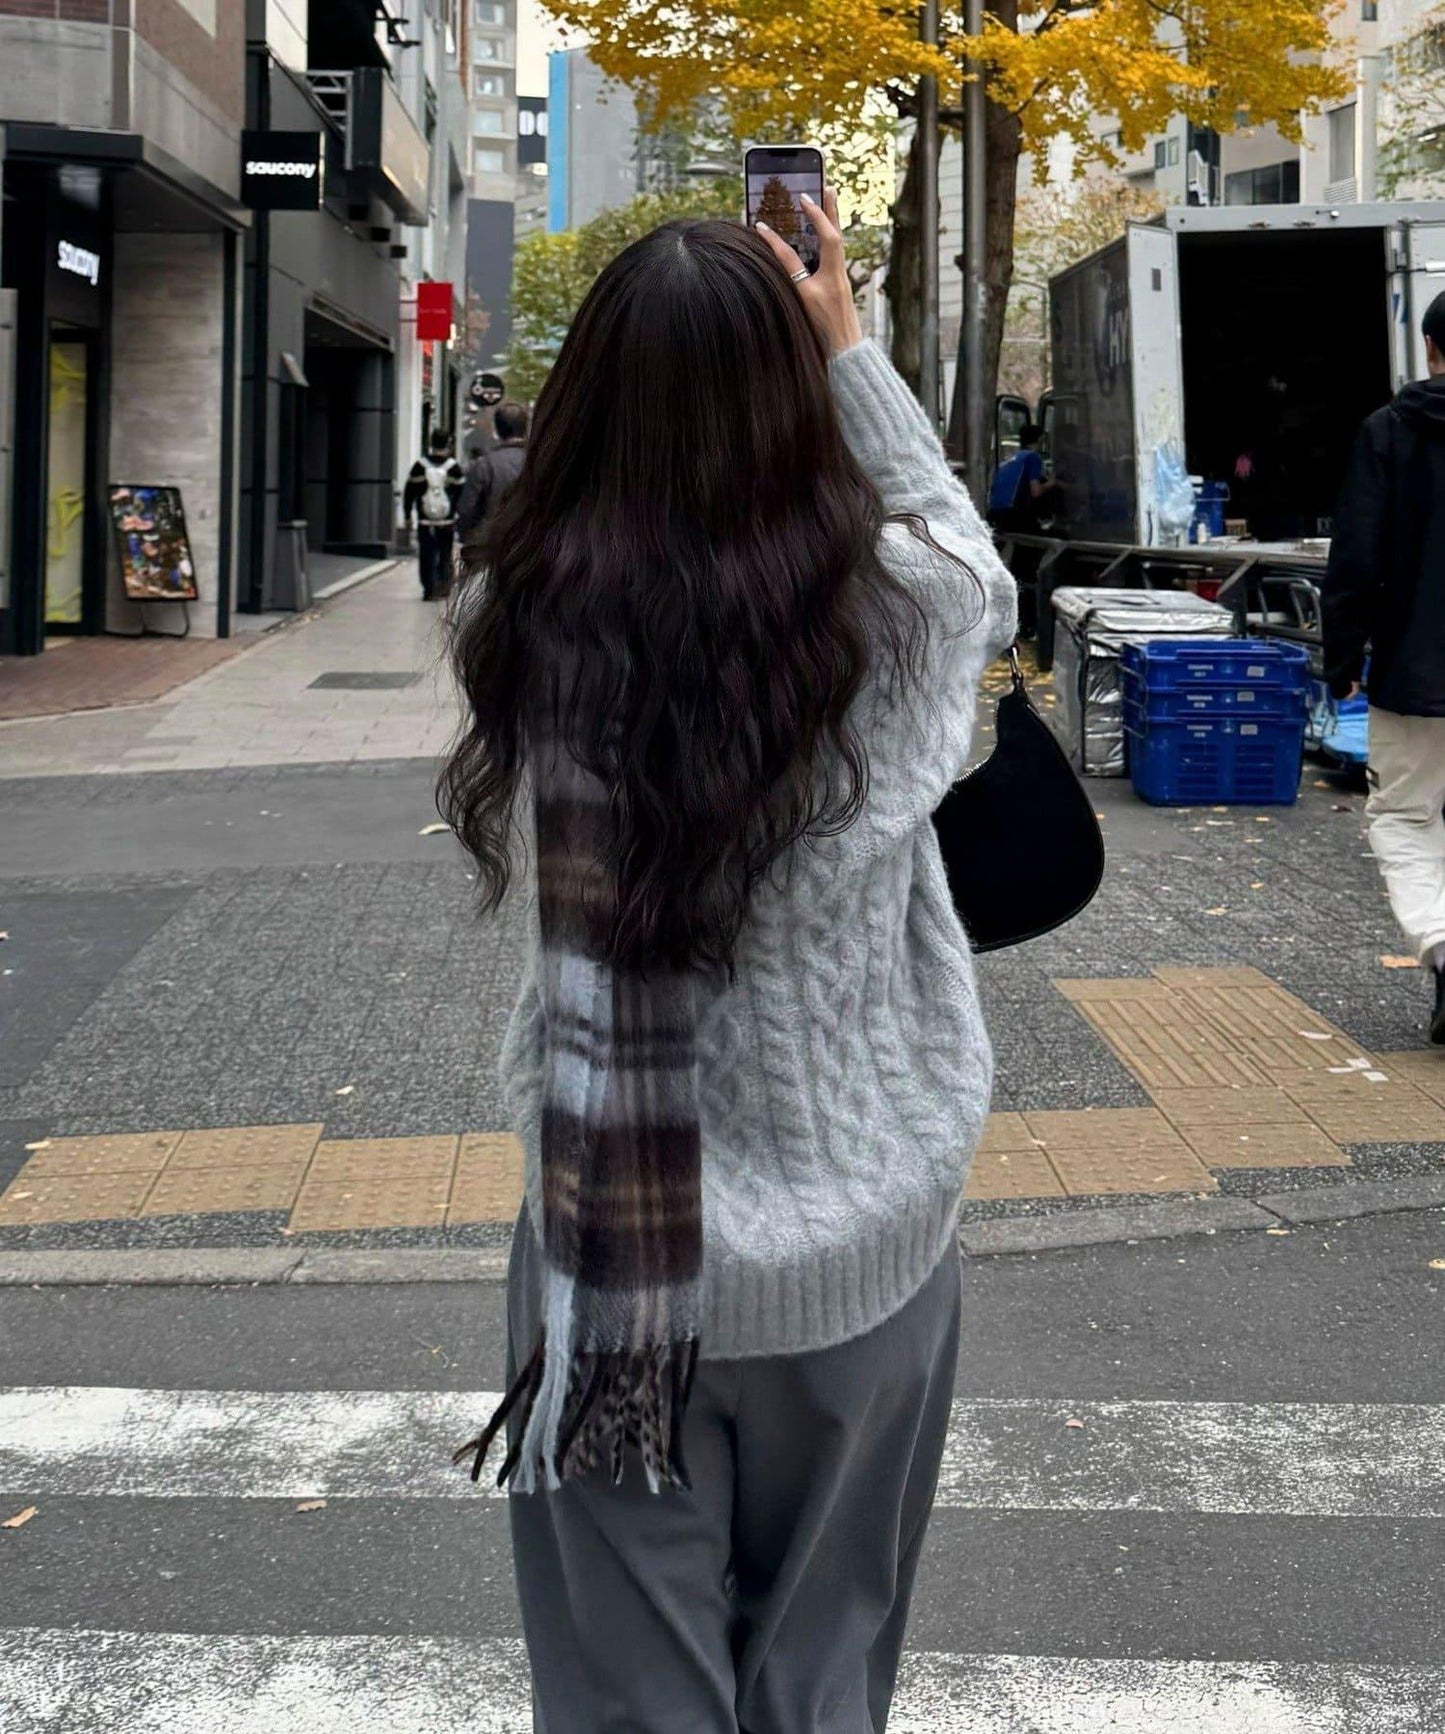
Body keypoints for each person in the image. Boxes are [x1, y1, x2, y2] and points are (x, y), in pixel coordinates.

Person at [439, 192, 1016, 1733]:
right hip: (867, 1257)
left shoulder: (521, 614)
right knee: (822, 1677)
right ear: (797, 392)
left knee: (628, 1699)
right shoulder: (905, 616)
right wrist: (850, 350)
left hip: (613, 1256)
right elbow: (972, 557)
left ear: (587, 406)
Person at [1324, 289, 1445, 1046]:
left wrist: (1341, 657)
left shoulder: (1391, 431)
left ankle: (1441, 947)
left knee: (1404, 815)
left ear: (1431, 349)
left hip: (1416, 668)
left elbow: (1356, 555)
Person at [456, 398, 529, 571]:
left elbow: (466, 508)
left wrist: (466, 535)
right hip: (528, 548)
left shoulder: (484, 465)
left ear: (497, 430)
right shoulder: (540, 464)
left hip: (487, 547)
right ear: (525, 428)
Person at [403, 427, 465, 600]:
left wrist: (408, 515)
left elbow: (409, 492)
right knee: (445, 554)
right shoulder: (454, 468)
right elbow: (462, 494)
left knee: (426, 555)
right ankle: (443, 587)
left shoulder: (419, 466)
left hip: (425, 522)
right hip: (446, 522)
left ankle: (428, 589)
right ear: (449, 444)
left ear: (431, 443)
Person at [987, 423, 1058, 533]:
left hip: (994, 514)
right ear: (1040, 440)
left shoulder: (1010, 458)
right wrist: (1052, 482)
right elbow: (1036, 491)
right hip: (1014, 515)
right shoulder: (1033, 457)